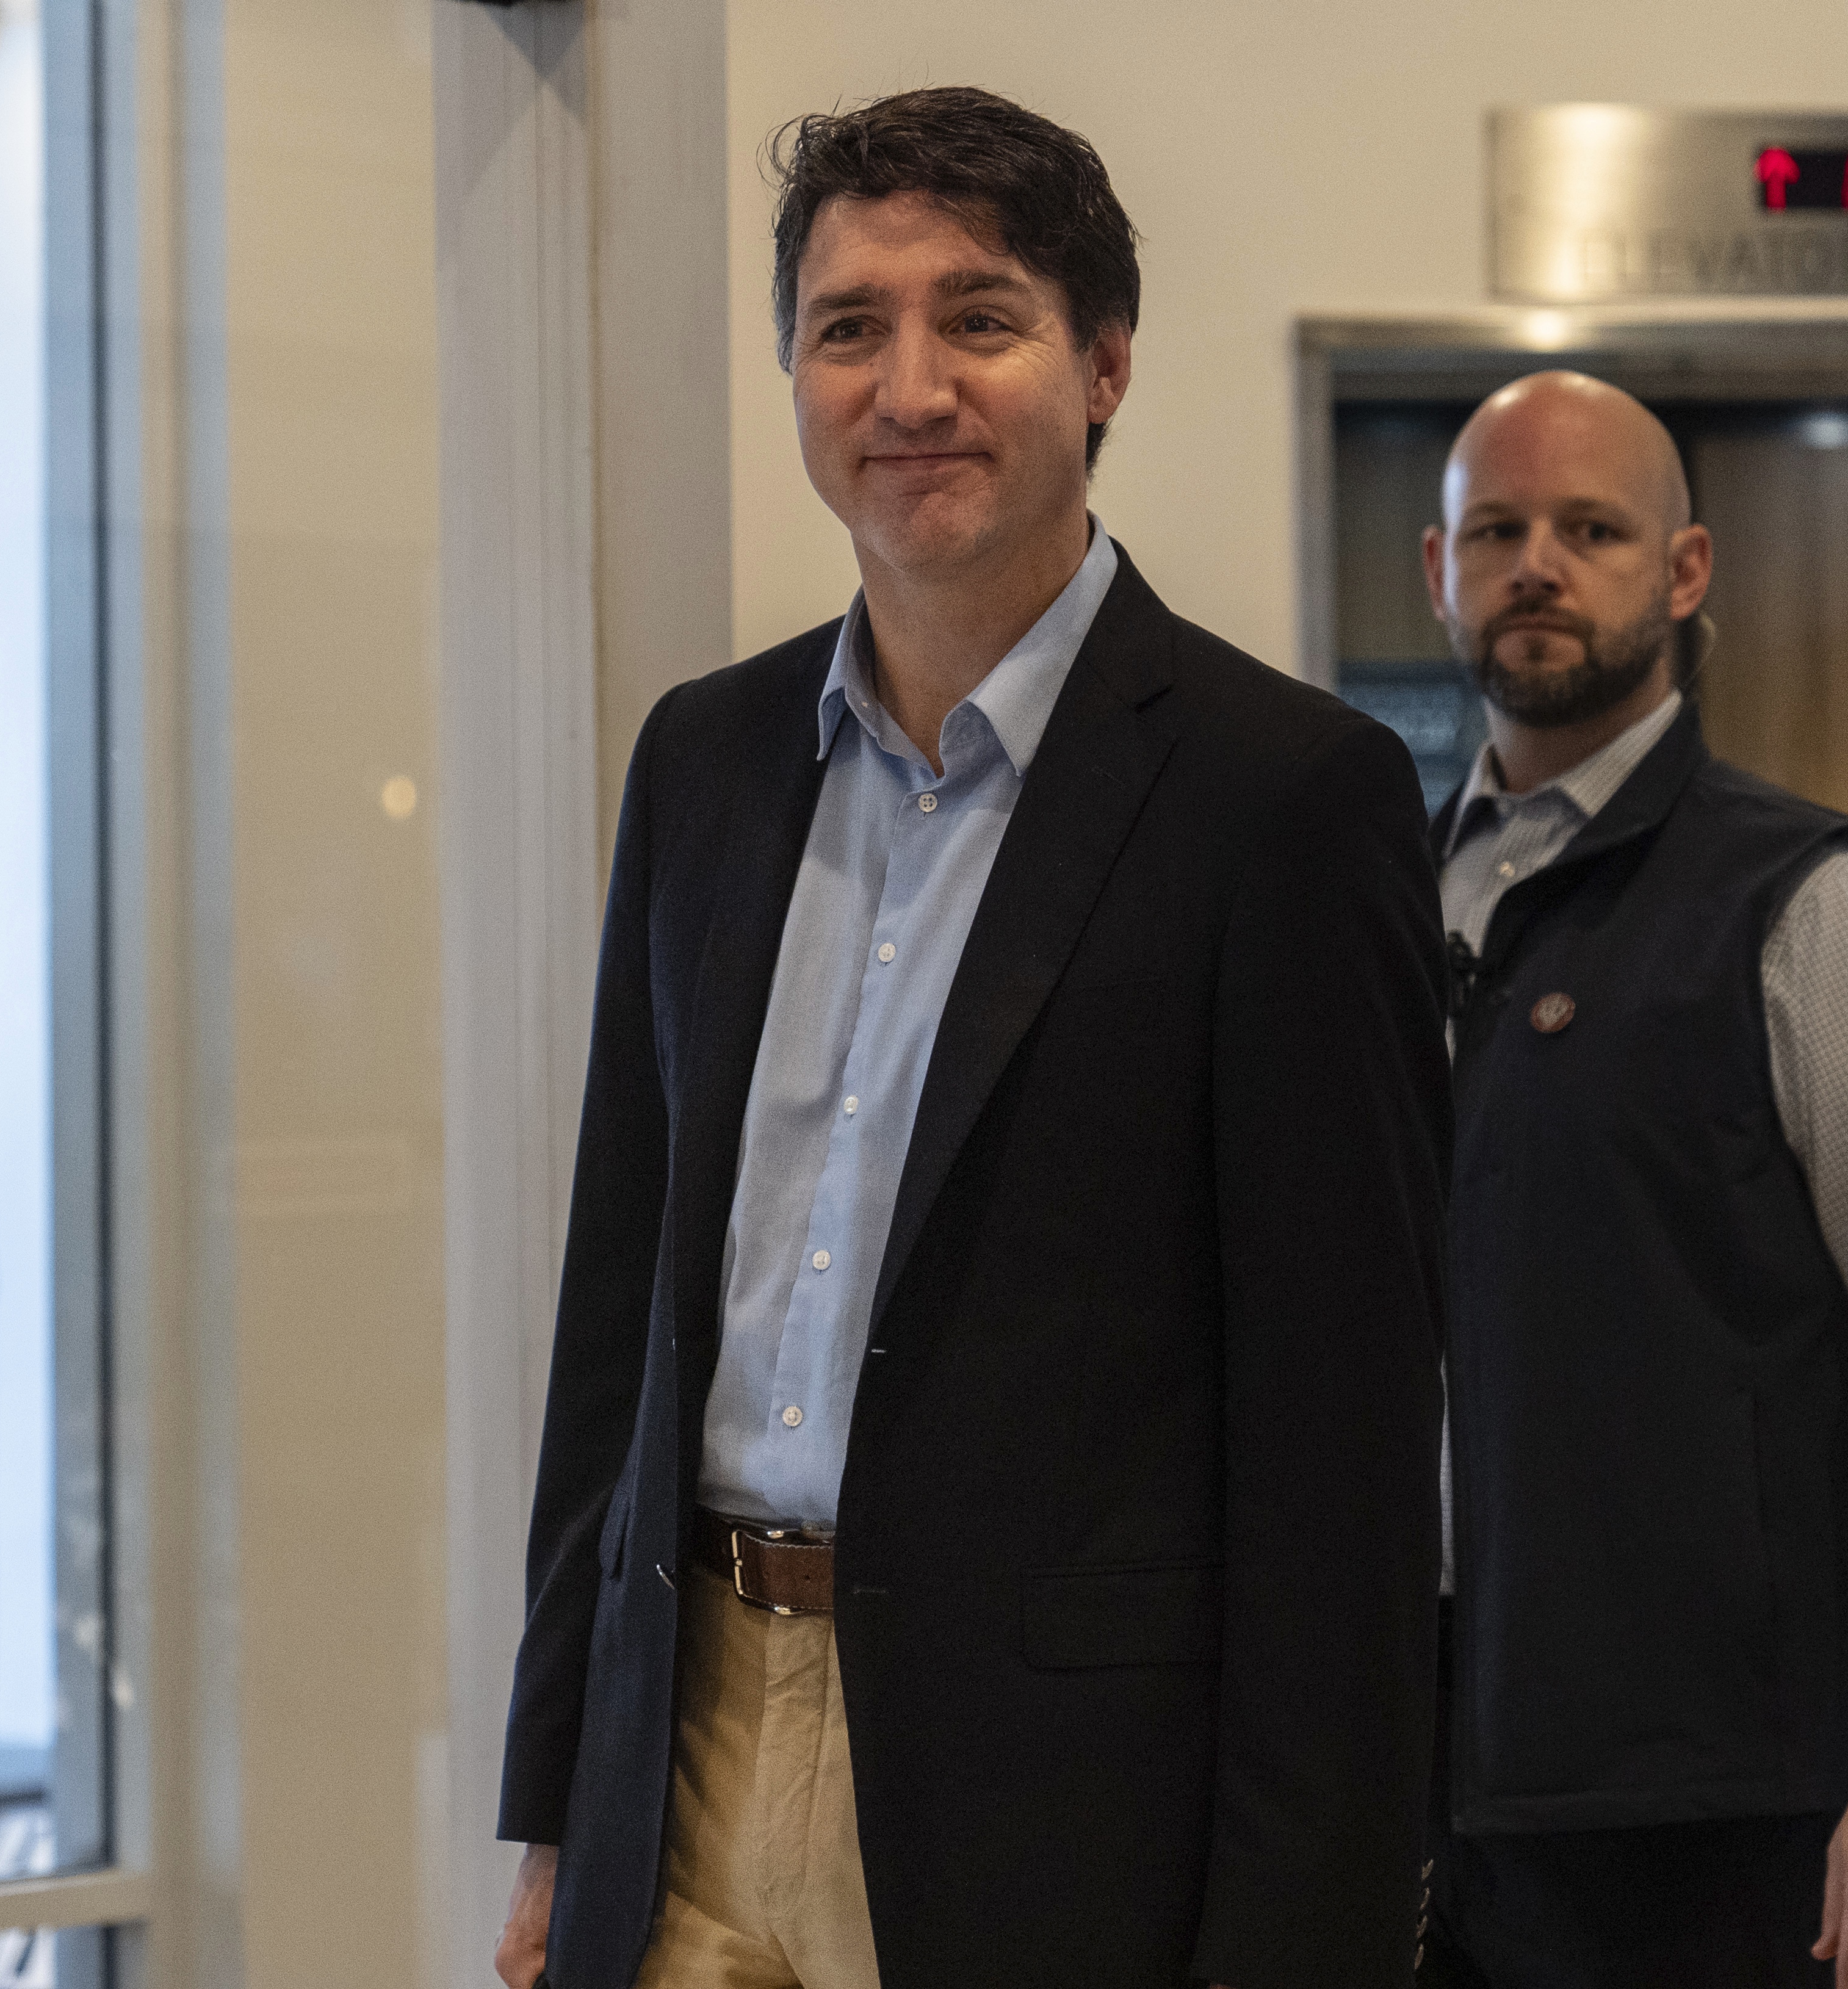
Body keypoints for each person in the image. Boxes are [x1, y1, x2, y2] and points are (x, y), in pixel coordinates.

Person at [493, 86, 1453, 1989]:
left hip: (1058, 1806)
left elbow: (1341, 1457)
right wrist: (556, 1810)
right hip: (686, 1735)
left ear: (1100, 368)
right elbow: (621, 1320)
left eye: (978, 319)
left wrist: (1300, 1938)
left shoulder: (1285, 796)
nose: (907, 385)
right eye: (849, 327)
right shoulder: (704, 760)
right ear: (792, 373)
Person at [1413, 372, 1848, 1989]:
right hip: (1431, 1793)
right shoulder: (1381, 903)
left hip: (1729, 1814)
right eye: (1495, 529)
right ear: (1436, 571)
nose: (1537, 565)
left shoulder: (1810, 902)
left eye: (1591, 528)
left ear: (1686, 571)